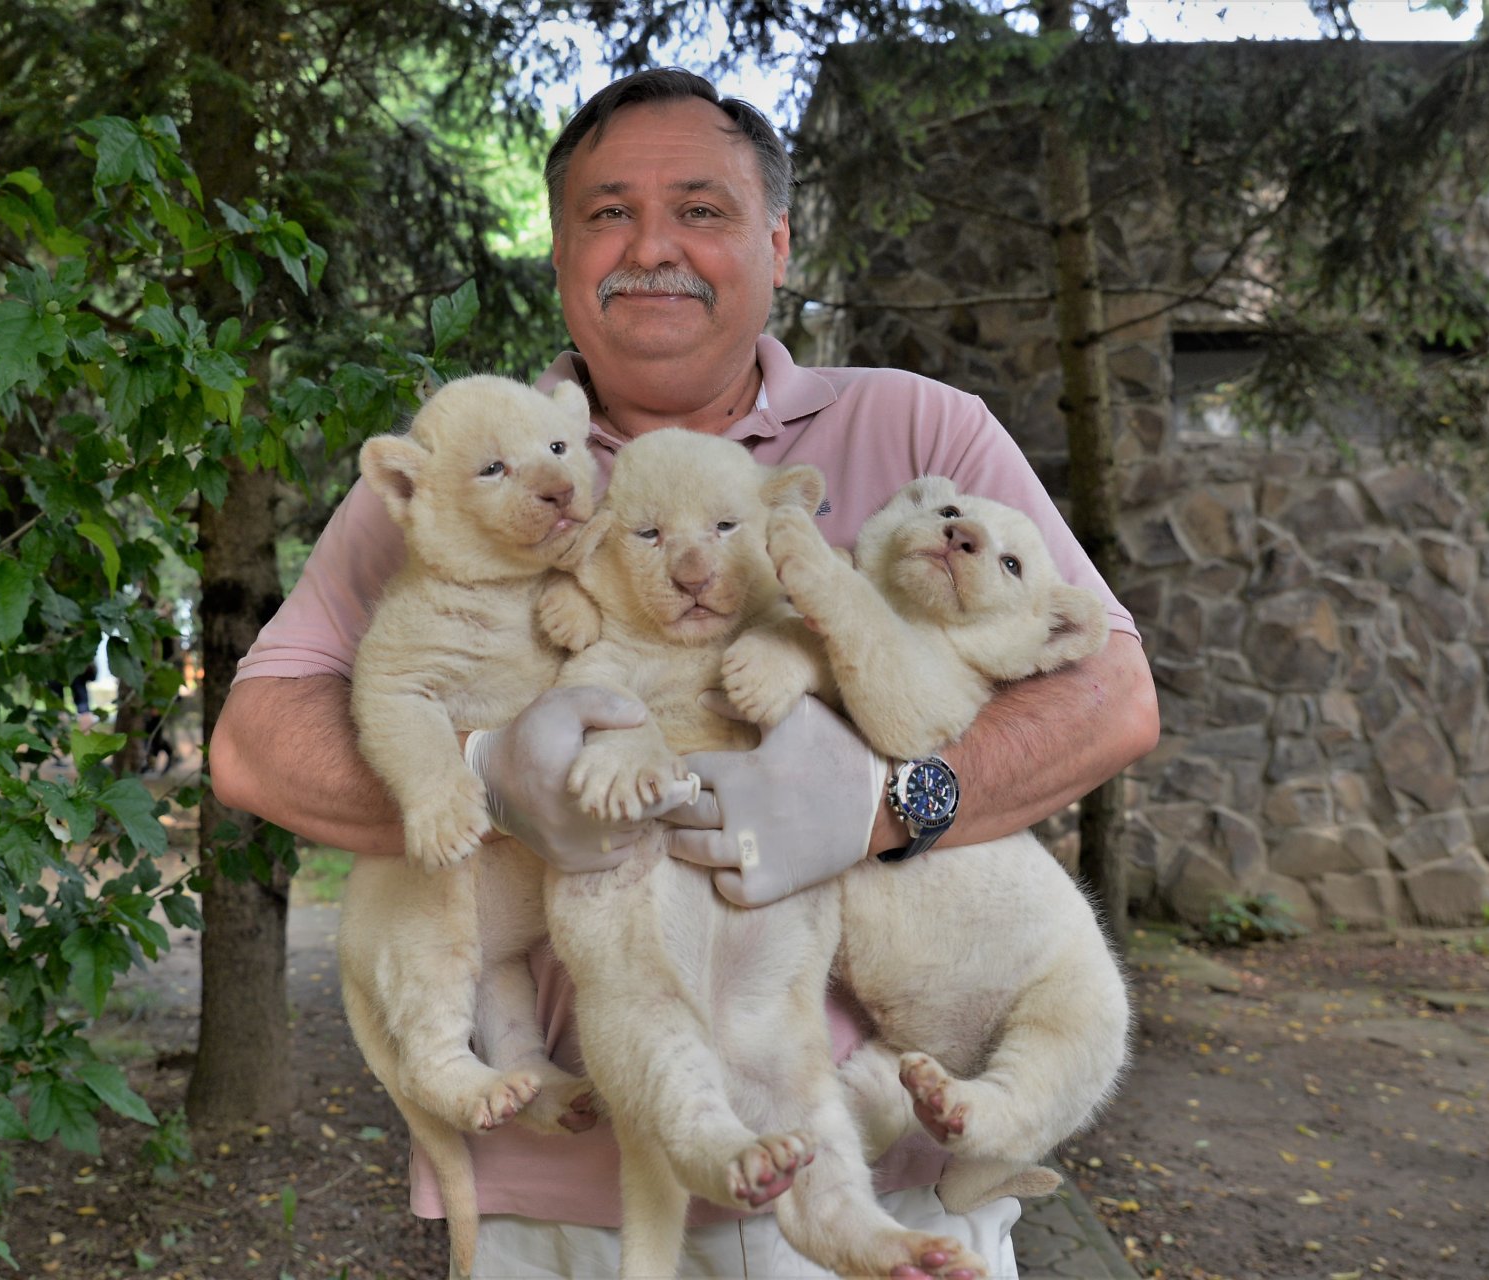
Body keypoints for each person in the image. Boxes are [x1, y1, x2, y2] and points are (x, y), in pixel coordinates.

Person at [211, 67, 1160, 1279]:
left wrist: (891, 803)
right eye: (608, 212)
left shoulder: (923, 428)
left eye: (701, 210)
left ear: (776, 242)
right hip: (556, 1208)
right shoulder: (476, 453)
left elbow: (1111, 696)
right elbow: (254, 742)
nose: (651, 246)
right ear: (561, 250)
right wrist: (484, 777)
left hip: (881, 1188)